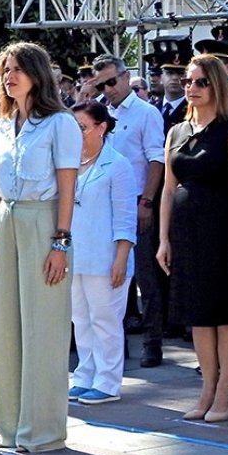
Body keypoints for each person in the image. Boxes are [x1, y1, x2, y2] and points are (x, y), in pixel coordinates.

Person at [0, 42, 81, 453]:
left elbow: (68, 187)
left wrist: (61, 241)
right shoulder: (1, 124)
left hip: (44, 220)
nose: (9, 76)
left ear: (37, 74)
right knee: (5, 328)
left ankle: (42, 430)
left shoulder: (61, 123)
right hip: (6, 223)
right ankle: (10, 426)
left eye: (17, 68)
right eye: (4, 69)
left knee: (43, 328)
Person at [157, 54, 228, 423]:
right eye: (189, 81)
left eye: (200, 82)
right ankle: (206, 387)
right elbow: (167, 190)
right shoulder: (176, 132)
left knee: (226, 313)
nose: (191, 87)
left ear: (217, 86)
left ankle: (225, 389)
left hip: (223, 230)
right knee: (198, 314)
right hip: (186, 233)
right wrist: (163, 238)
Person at [91, 55, 168, 368]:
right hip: (101, 203)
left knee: (145, 278)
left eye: (112, 81)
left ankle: (153, 342)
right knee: (108, 275)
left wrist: (147, 201)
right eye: (101, 84)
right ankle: (115, 344)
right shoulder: (97, 111)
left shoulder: (145, 113)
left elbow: (156, 159)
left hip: (135, 200)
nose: (108, 89)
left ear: (125, 77)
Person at [67, 101, 137, 405]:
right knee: (80, 319)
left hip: (106, 258)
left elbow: (125, 218)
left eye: (82, 128)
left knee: (105, 320)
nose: (77, 134)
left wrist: (121, 257)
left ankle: (108, 381)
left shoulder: (117, 164)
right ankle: (85, 375)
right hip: (75, 256)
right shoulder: (69, 163)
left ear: (101, 127)